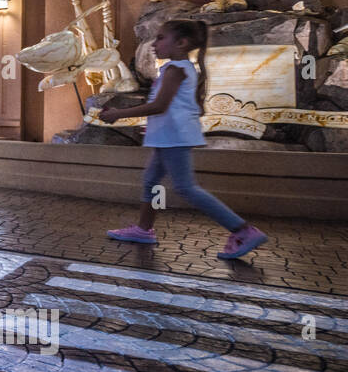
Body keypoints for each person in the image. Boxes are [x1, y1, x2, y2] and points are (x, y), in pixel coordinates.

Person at [101, 18, 269, 260]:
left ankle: (243, 230)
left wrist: (118, 115)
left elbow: (159, 106)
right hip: (168, 136)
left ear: (181, 43)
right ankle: (144, 229)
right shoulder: (179, 69)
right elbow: (173, 107)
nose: (153, 44)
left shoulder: (174, 70)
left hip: (174, 137)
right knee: (150, 181)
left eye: (160, 38)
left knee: (186, 188)